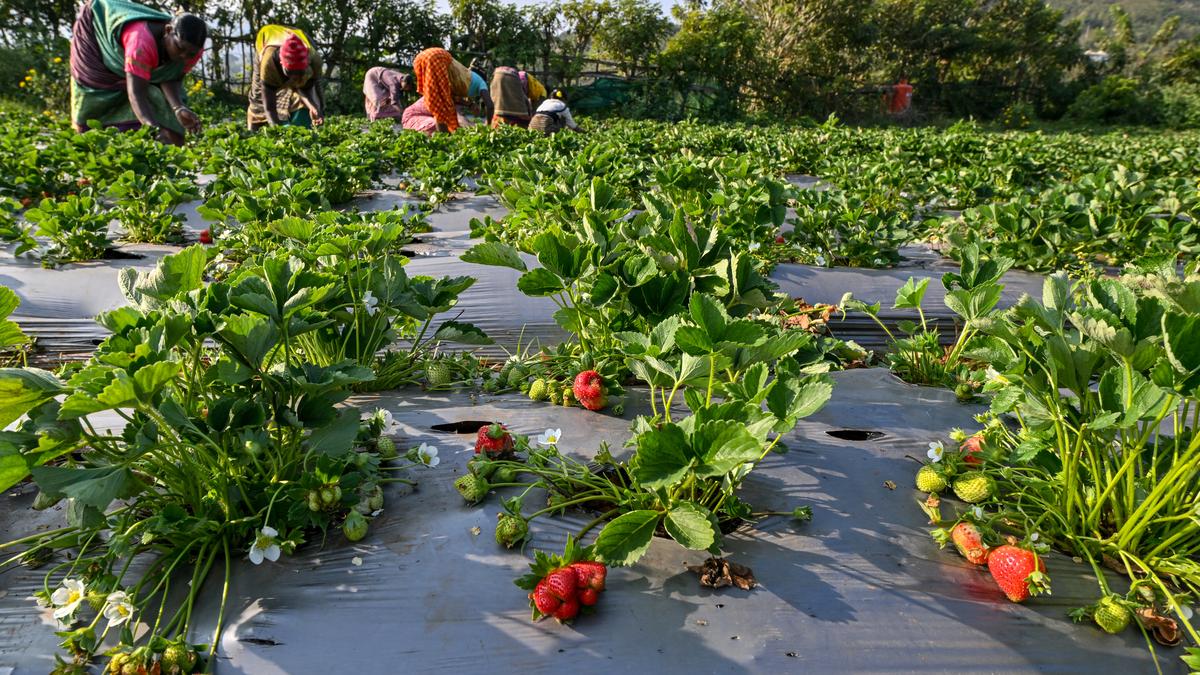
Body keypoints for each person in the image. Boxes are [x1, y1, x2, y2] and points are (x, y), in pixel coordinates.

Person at [68, 0, 206, 145]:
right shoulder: (141, 43)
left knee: (157, 99)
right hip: (97, 29)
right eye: (179, 48)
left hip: (136, 54)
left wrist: (178, 108)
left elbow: (169, 76)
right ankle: (93, 143)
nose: (183, 56)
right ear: (168, 31)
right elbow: (136, 93)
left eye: (189, 54)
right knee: (98, 89)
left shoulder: (193, 51)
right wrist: (153, 128)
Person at [246, 25, 324, 130]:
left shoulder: (314, 59)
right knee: (258, 101)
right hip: (267, 37)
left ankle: (299, 120)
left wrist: (314, 108)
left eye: (299, 73)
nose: (294, 78)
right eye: (291, 73)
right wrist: (277, 131)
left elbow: (307, 87)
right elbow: (269, 107)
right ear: (281, 64)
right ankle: (253, 131)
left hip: (297, 35)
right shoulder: (269, 62)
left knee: (310, 101)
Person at [410, 47, 474, 133]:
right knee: (440, 107)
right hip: (439, 57)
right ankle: (444, 138)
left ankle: (444, 137)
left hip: (421, 60)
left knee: (437, 104)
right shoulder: (467, 84)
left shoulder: (463, 77)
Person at [401, 96, 470, 136]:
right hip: (413, 117)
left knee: (447, 127)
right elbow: (459, 119)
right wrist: (475, 130)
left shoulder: (457, 100)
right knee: (437, 127)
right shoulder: (447, 96)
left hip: (428, 116)